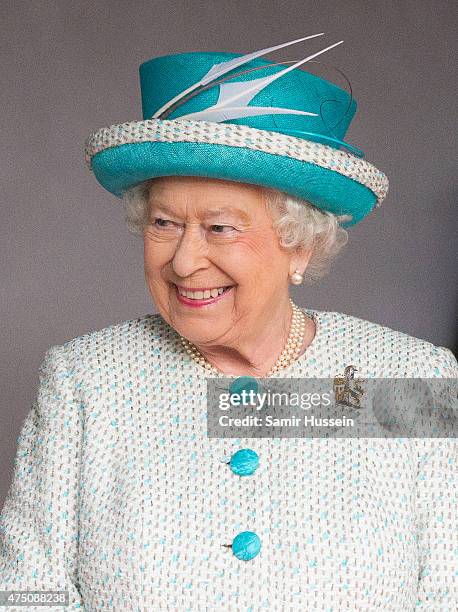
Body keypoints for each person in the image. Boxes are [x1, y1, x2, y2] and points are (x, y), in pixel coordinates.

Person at [1, 34, 457, 611]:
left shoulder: (410, 379)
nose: (185, 261)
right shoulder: (85, 381)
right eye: (164, 223)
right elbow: (25, 593)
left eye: (220, 228)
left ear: (301, 247)